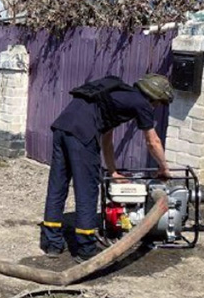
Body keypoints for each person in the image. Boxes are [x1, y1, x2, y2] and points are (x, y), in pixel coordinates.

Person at [40, 74, 174, 262]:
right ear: (154, 97)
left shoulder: (117, 93)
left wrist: (113, 171)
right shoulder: (141, 104)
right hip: (82, 134)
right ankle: (85, 248)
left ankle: (51, 244)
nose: (157, 106)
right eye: (159, 102)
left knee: (58, 186)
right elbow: (153, 141)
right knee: (87, 190)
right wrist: (164, 167)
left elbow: (107, 140)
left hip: (62, 127)